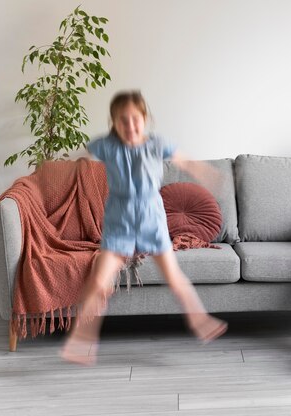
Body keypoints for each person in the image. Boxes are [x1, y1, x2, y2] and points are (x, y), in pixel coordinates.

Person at [60, 90, 227, 365]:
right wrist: (69, 167)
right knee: (99, 283)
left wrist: (205, 172)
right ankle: (81, 341)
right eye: (122, 120)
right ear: (113, 122)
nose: (130, 126)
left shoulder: (157, 144)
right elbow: (82, 156)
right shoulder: (107, 146)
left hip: (152, 221)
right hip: (119, 224)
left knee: (174, 277)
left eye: (135, 119)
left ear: (145, 118)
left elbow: (184, 160)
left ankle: (200, 320)